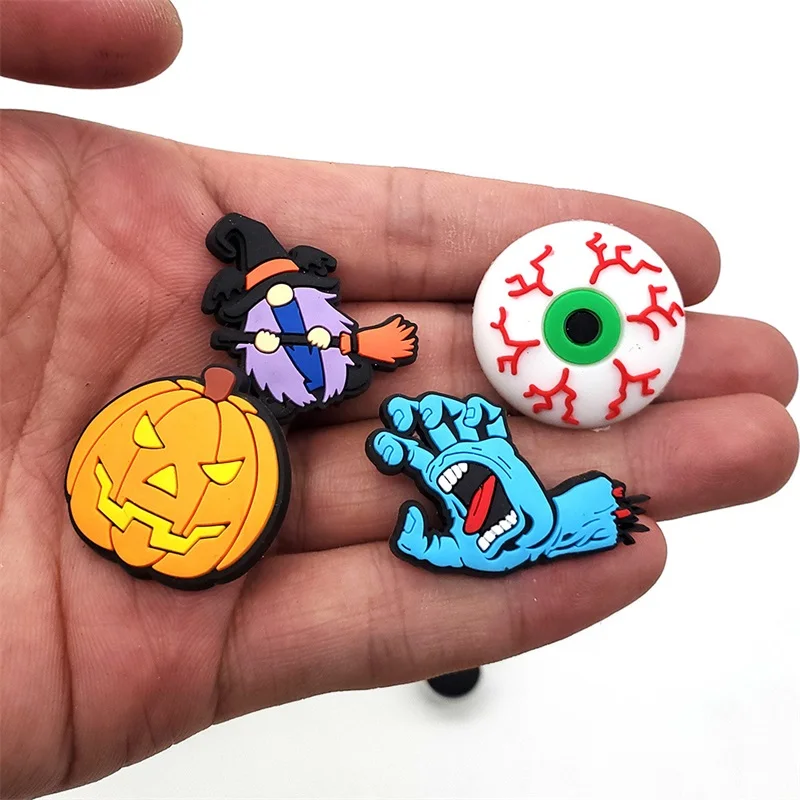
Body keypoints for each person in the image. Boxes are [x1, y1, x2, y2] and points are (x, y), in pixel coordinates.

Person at [0, 2, 797, 798]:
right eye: (278, 320)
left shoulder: (312, 341)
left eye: (304, 311)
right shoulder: (252, 362)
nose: (299, 326)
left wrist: (367, 349)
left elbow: (331, 358)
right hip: (247, 430)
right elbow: (306, 364)